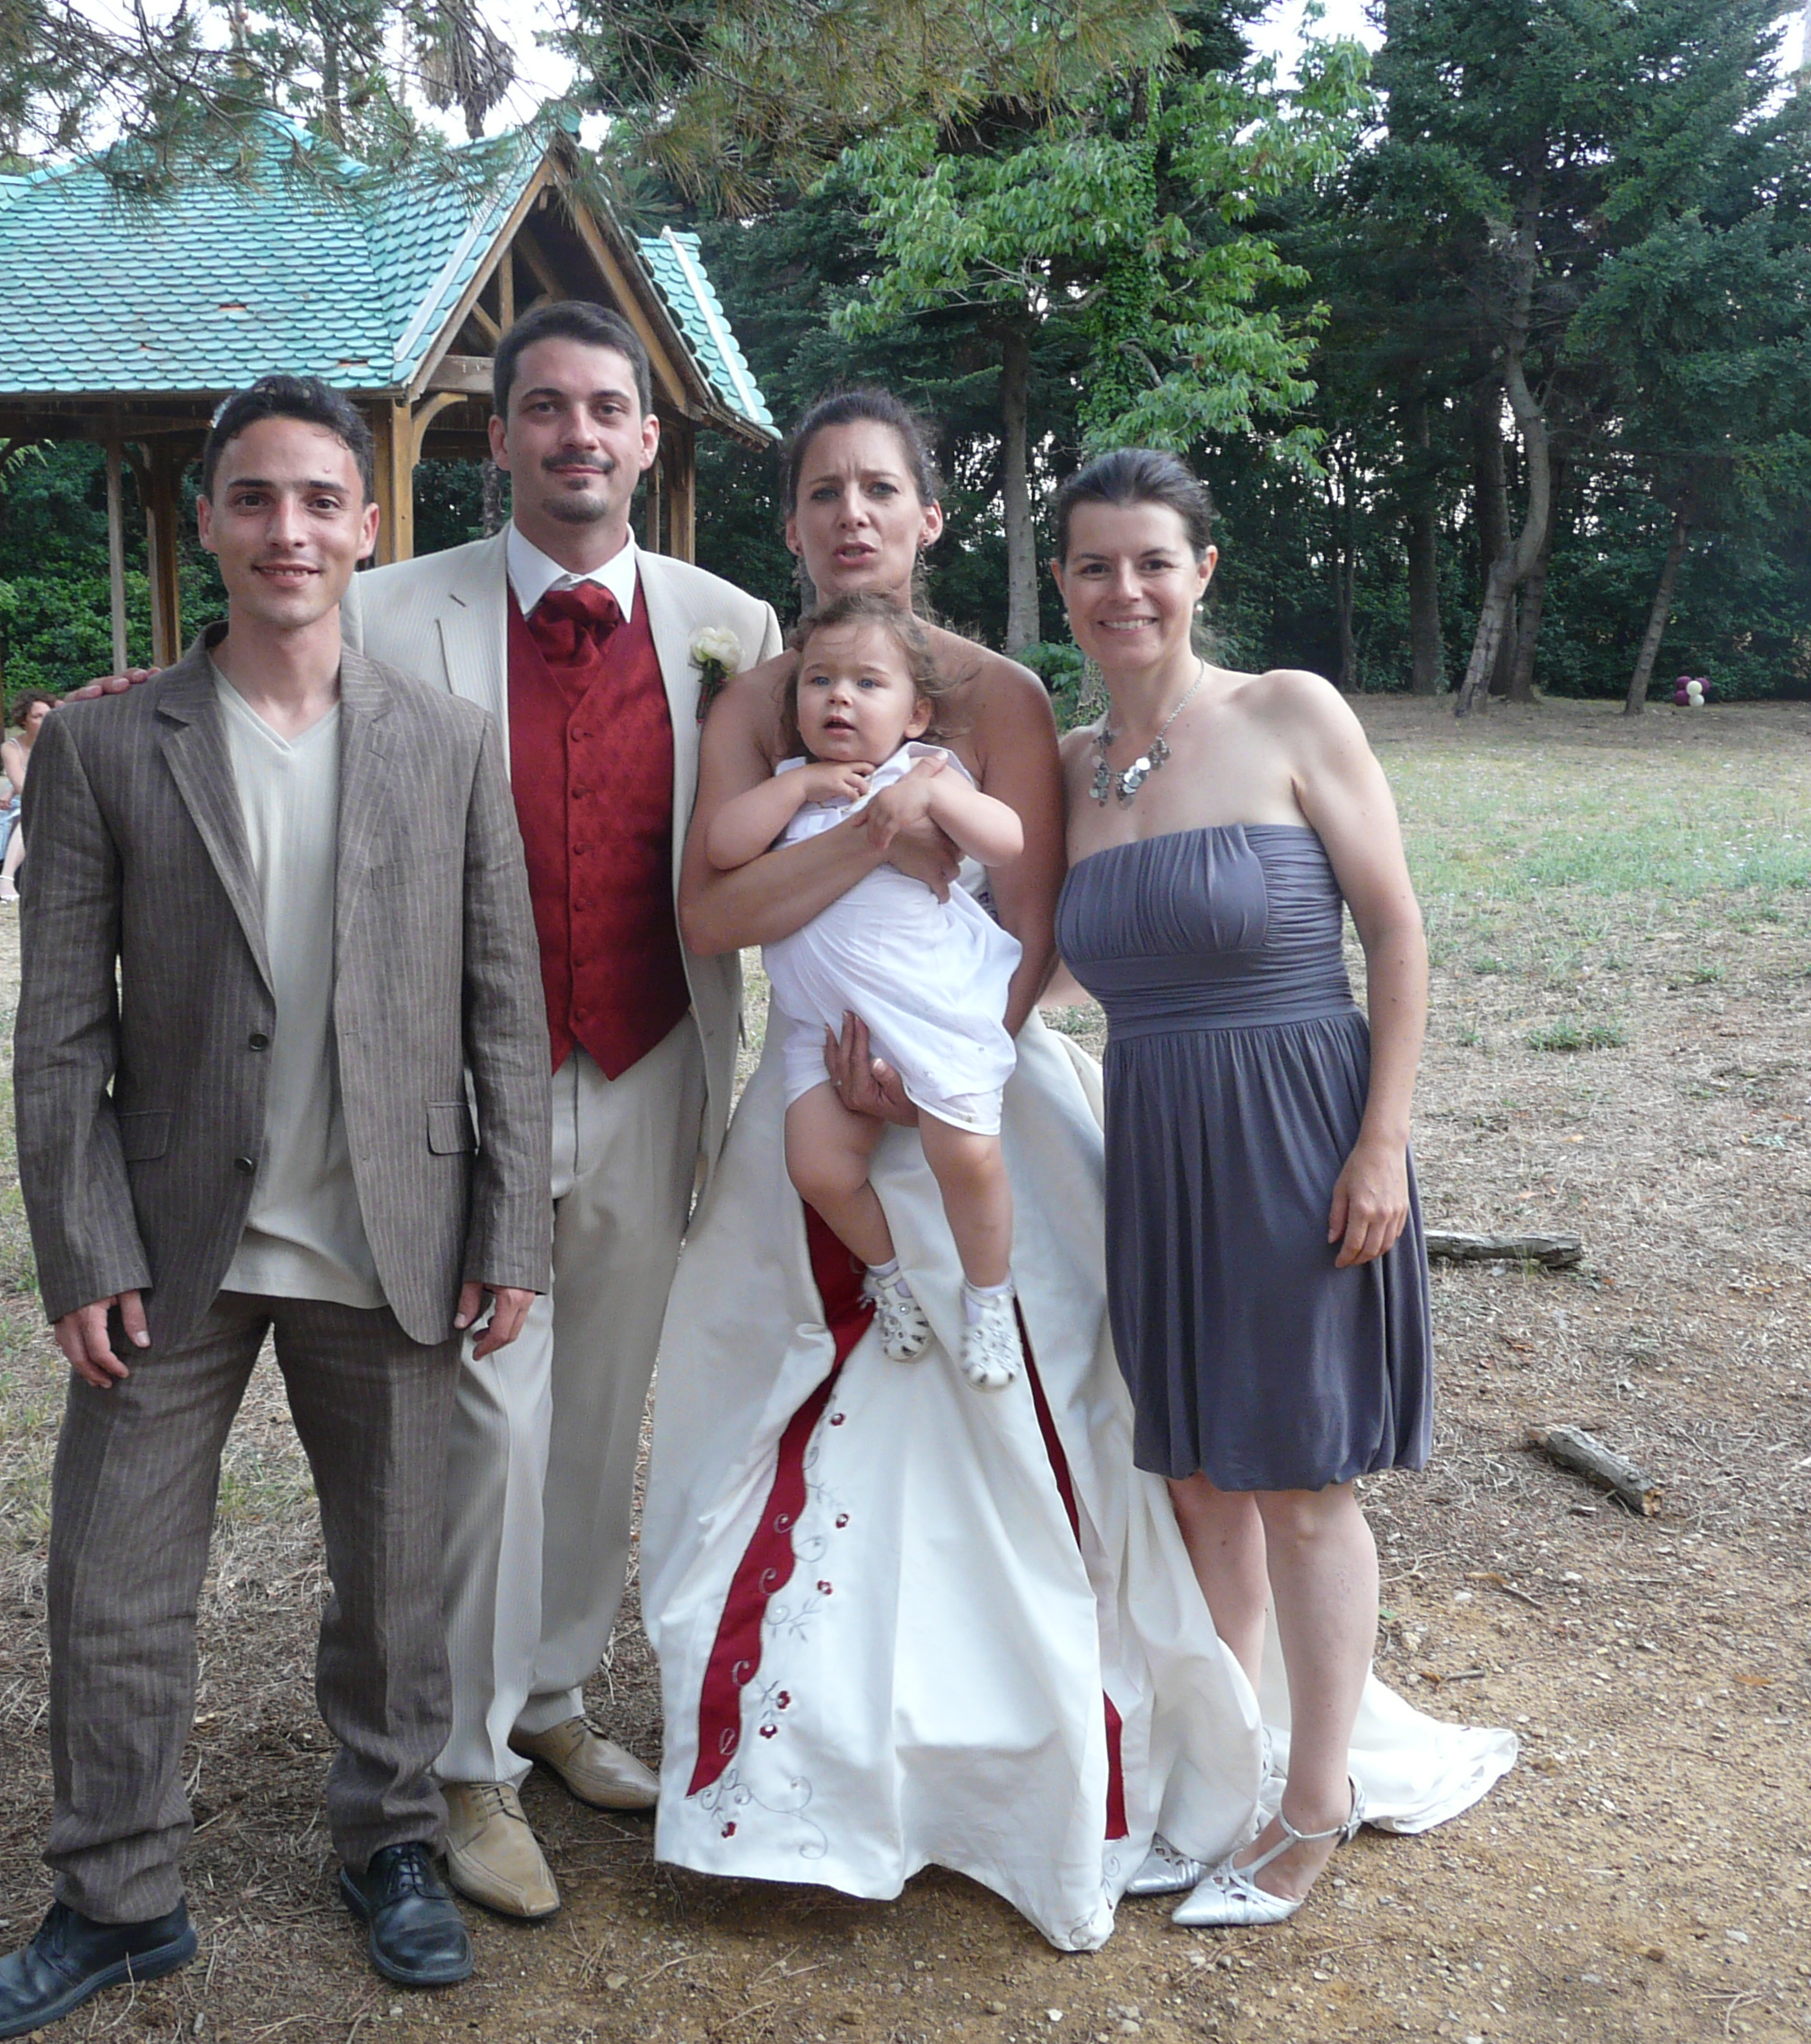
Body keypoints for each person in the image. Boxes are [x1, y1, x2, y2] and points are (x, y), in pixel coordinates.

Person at [643, 392, 1512, 1953]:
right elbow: (778, 922)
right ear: (792, 523)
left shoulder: (1118, 706)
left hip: (1152, 1106)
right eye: (824, 490)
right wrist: (872, 878)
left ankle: (1277, 1786)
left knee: (1247, 1467)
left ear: (930, 518)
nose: (853, 514)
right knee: (1175, 1469)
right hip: (1045, 1122)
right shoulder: (1003, 746)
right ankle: (1113, 1769)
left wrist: (948, 1073)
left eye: (883, 488)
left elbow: (1066, 929)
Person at [0, 375, 551, 2039]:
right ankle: (117, 1894)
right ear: (205, 519)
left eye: (321, 500)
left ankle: (394, 1843)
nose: (290, 530)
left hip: (390, 1233)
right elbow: (61, 1026)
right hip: (168, 1251)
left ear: (368, 526)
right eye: (257, 498)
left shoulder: (445, 741)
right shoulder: (103, 745)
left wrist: (509, 1226)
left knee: (395, 1580)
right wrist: (78, 1244)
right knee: (114, 1579)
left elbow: (504, 1007)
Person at [341, 301, 787, 1923]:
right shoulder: (390, 613)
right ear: (501, 434)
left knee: (602, 1409)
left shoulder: (731, 624)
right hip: (473, 1087)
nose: (576, 434)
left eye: (606, 408)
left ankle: (548, 1693)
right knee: (491, 1416)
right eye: (545, 407)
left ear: (647, 440)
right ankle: (463, 1764)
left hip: (657, 1057)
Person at [1050, 448, 1443, 1927]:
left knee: (1299, 1482)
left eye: (1152, 560)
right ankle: (1222, 1773)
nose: (1125, 589)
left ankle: (1312, 1803)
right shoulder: (1073, 768)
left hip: (1294, 1131)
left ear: (1200, 570)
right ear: (1062, 585)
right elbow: (1038, 964)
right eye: (1094, 565)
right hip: (1154, 1141)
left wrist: (1380, 1141)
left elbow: (1395, 933)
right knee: (1202, 1480)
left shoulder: (1287, 711)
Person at [704, 591, 1026, 1389]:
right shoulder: (791, 783)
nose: (839, 697)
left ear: (916, 714)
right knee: (817, 1167)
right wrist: (797, 789)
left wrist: (933, 795)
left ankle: (989, 1298)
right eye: (820, 681)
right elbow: (722, 847)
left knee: (968, 1156)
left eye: (867, 683)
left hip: (925, 1014)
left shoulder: (928, 773)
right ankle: (891, 1277)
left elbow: (1008, 841)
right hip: (826, 1028)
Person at [0, 690, 52, 904]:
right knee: (31, 813)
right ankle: (5, 879)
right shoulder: (11, 747)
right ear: (24, 720)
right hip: (27, 802)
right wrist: (12, 790)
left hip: (54, 800)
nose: (44, 721)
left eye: (48, 715)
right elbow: (22, 785)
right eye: (37, 716)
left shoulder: (58, 742)